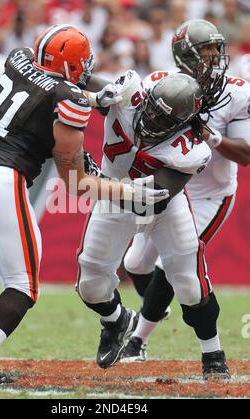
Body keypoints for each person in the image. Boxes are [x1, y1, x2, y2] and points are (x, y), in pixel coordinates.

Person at [0, 24, 168, 385]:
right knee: (22, 286)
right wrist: (131, 193)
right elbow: (75, 181)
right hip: (3, 181)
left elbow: (45, 88)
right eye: (82, 63)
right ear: (69, 67)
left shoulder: (17, 59)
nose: (86, 70)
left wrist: (95, 97)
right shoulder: (70, 98)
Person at [77, 68, 230, 380]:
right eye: (151, 111)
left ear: (183, 123)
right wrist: (91, 91)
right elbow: (83, 83)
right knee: (91, 286)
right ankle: (116, 320)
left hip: (160, 205)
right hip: (114, 196)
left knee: (188, 284)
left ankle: (213, 356)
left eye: (163, 120)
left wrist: (95, 180)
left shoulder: (191, 149)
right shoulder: (132, 92)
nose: (152, 121)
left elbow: (154, 198)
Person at [122, 19, 250, 381]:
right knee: (135, 262)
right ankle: (154, 311)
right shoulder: (161, 84)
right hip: (169, 187)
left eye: (216, 50)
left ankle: (141, 341)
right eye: (206, 51)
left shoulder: (237, 92)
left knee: (174, 265)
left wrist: (209, 136)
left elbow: (245, 153)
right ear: (186, 56)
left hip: (210, 193)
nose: (214, 57)